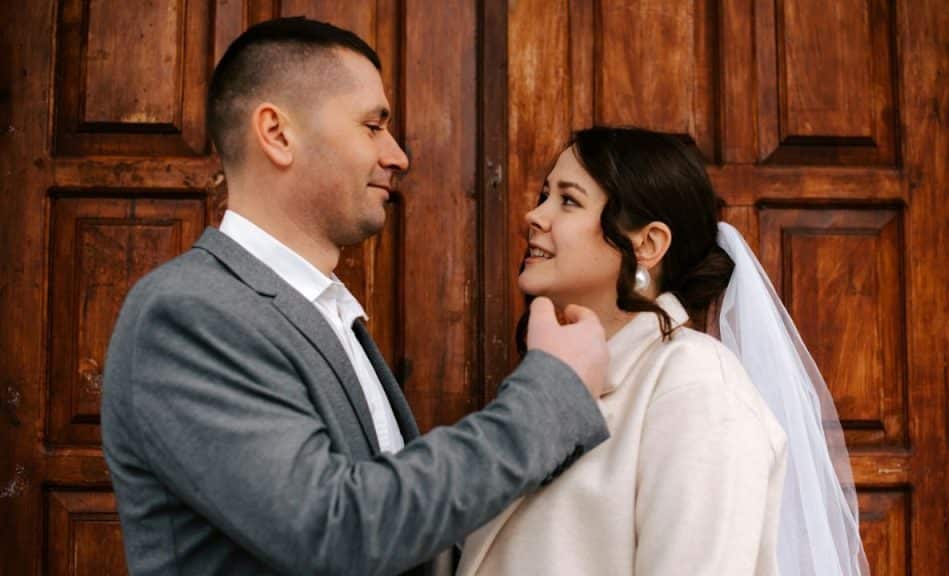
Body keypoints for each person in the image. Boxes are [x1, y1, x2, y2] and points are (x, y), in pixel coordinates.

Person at [100, 18, 611, 576]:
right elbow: (336, 529)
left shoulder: (328, 311)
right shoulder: (189, 312)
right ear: (276, 133)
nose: (398, 155)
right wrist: (551, 396)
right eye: (372, 126)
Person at [457, 127, 869, 575]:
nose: (534, 216)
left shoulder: (699, 391)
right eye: (544, 195)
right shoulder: (554, 381)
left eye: (568, 200)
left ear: (648, 244)